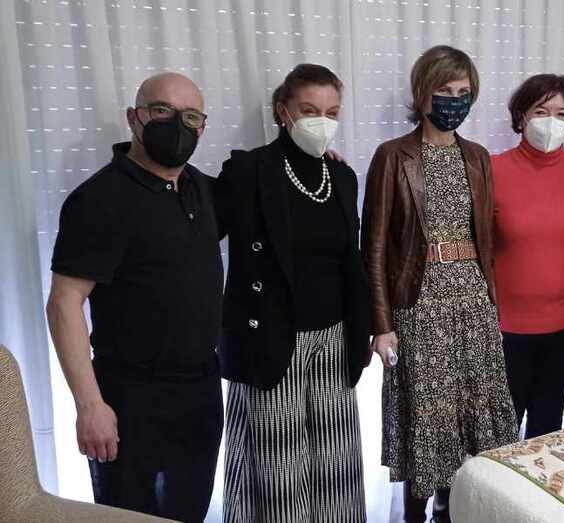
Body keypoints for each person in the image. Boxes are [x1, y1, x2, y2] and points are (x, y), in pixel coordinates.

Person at [46, 72, 223, 522]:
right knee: (127, 516)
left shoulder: (202, 190)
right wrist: (90, 405)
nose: (177, 125)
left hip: (201, 393)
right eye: (162, 111)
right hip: (129, 398)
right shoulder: (98, 200)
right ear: (134, 117)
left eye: (190, 117)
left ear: (202, 128)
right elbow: (64, 303)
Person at [361, 45, 517, 523]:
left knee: (473, 415)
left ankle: (452, 510)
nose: (454, 100)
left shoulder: (478, 157)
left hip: (472, 300)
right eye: (444, 90)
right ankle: (415, 514)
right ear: (422, 92)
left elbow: (484, 238)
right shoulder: (393, 156)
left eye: (464, 92)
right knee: (427, 417)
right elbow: (374, 246)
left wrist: (491, 303)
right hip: (420, 303)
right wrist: (381, 325)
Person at [216, 63, 370, 523]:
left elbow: (351, 261)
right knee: (279, 470)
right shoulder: (248, 171)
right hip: (271, 338)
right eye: (309, 110)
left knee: (336, 463)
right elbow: (201, 232)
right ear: (283, 111)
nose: (321, 120)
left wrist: (362, 332)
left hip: (335, 338)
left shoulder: (341, 177)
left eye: (331, 112)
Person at [491, 73, 564, 439]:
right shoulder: (492, 168)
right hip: (504, 330)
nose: (551, 121)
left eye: (562, 114)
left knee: (547, 429)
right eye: (541, 111)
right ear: (522, 117)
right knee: (500, 434)